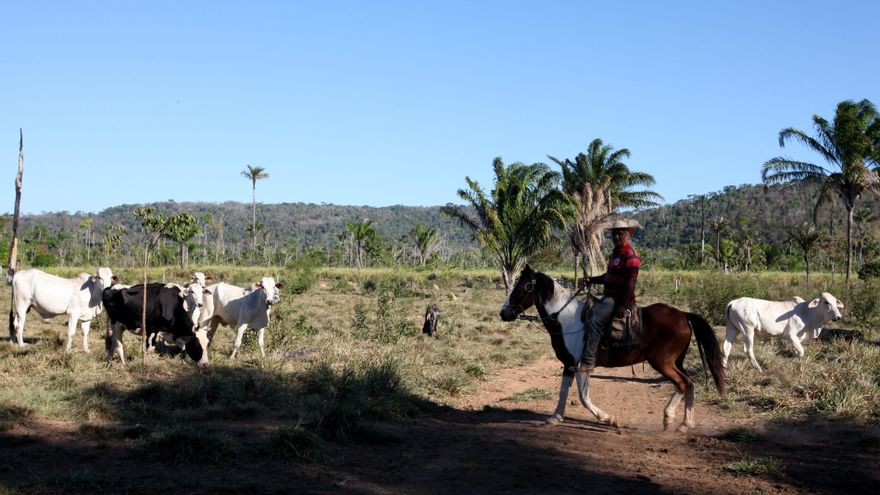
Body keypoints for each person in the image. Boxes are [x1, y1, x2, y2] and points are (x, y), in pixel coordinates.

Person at [580, 218, 641, 372]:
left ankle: (588, 361)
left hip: (617, 299)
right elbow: (609, 277)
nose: (616, 237)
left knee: (594, 320)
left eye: (620, 234)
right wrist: (592, 280)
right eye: (614, 234)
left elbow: (630, 283)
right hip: (608, 296)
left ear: (628, 235)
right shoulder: (615, 254)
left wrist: (623, 305)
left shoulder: (631, 255)